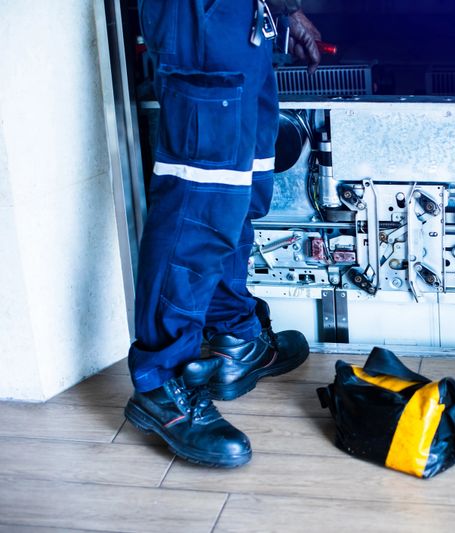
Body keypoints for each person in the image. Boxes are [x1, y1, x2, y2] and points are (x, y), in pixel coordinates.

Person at [124, 0, 322, 468]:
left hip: (244, 21)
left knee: (242, 187)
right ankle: (163, 381)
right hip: (200, 15)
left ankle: (235, 337)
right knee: (200, 198)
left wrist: (284, 9)